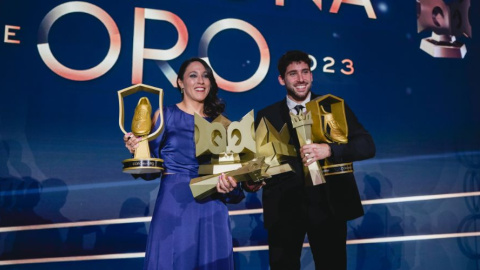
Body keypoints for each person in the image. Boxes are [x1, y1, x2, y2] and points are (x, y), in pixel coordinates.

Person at [247, 50, 376, 269]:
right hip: (284, 209)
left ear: (312, 75)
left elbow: (367, 146)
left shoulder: (333, 107)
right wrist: (251, 181)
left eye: (305, 72)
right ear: (281, 79)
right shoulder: (266, 115)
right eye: (293, 74)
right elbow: (256, 163)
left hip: (328, 206)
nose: (300, 79)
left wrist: (330, 150)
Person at [124, 57, 245, 270]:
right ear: (180, 82)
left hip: (212, 207)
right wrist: (137, 150)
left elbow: (233, 178)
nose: (201, 81)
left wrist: (231, 184)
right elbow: (150, 171)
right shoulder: (165, 116)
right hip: (175, 204)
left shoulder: (222, 123)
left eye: (205, 76)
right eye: (193, 75)